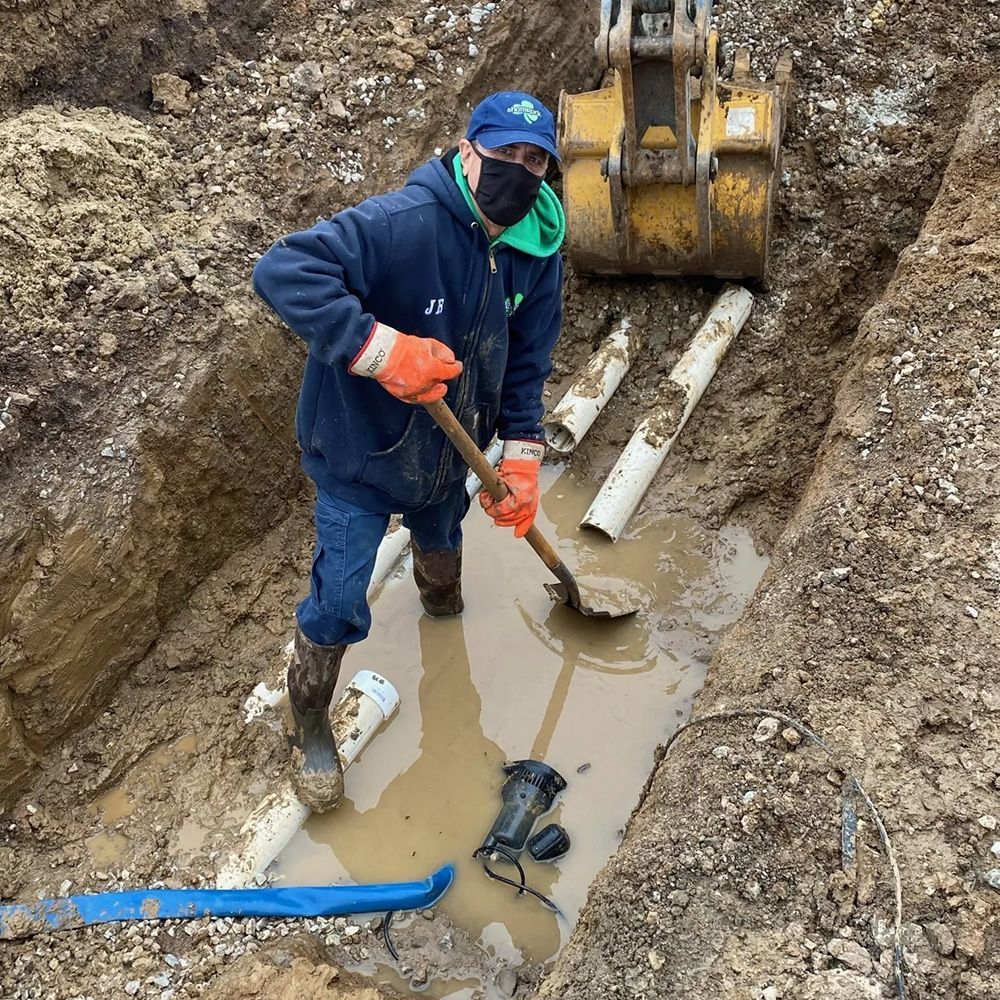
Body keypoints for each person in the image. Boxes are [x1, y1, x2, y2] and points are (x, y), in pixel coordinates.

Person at [252, 90, 565, 811]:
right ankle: (311, 726)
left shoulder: (536, 250)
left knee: (443, 555)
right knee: (337, 602)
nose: (520, 173)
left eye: (536, 162)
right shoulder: (404, 224)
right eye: (505, 156)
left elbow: (527, 362)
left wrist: (520, 455)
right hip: (359, 453)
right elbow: (283, 271)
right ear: (467, 153)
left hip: (449, 458)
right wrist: (379, 348)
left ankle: (444, 617)